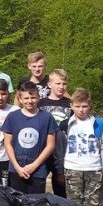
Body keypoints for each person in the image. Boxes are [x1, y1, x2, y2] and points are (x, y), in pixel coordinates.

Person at [2, 82, 58, 194]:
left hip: (38, 170)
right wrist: (17, 167)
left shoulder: (47, 117)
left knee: (36, 205)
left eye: (33, 97)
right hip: (16, 169)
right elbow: (7, 143)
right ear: (20, 99)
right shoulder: (12, 116)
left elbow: (51, 145)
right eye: (26, 98)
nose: (30, 101)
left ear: (38, 98)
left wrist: (34, 165)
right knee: (17, 204)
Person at [60, 88, 103, 206]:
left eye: (84, 106)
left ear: (90, 106)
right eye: (77, 106)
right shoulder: (65, 124)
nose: (81, 110)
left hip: (93, 169)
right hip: (72, 169)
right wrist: (60, 170)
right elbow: (60, 149)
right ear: (71, 106)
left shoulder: (98, 124)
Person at [38, 68, 72, 197]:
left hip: (63, 153)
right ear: (49, 84)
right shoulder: (40, 103)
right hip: (43, 151)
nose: (61, 87)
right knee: (38, 188)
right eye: (58, 83)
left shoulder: (71, 104)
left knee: (61, 191)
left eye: (64, 84)